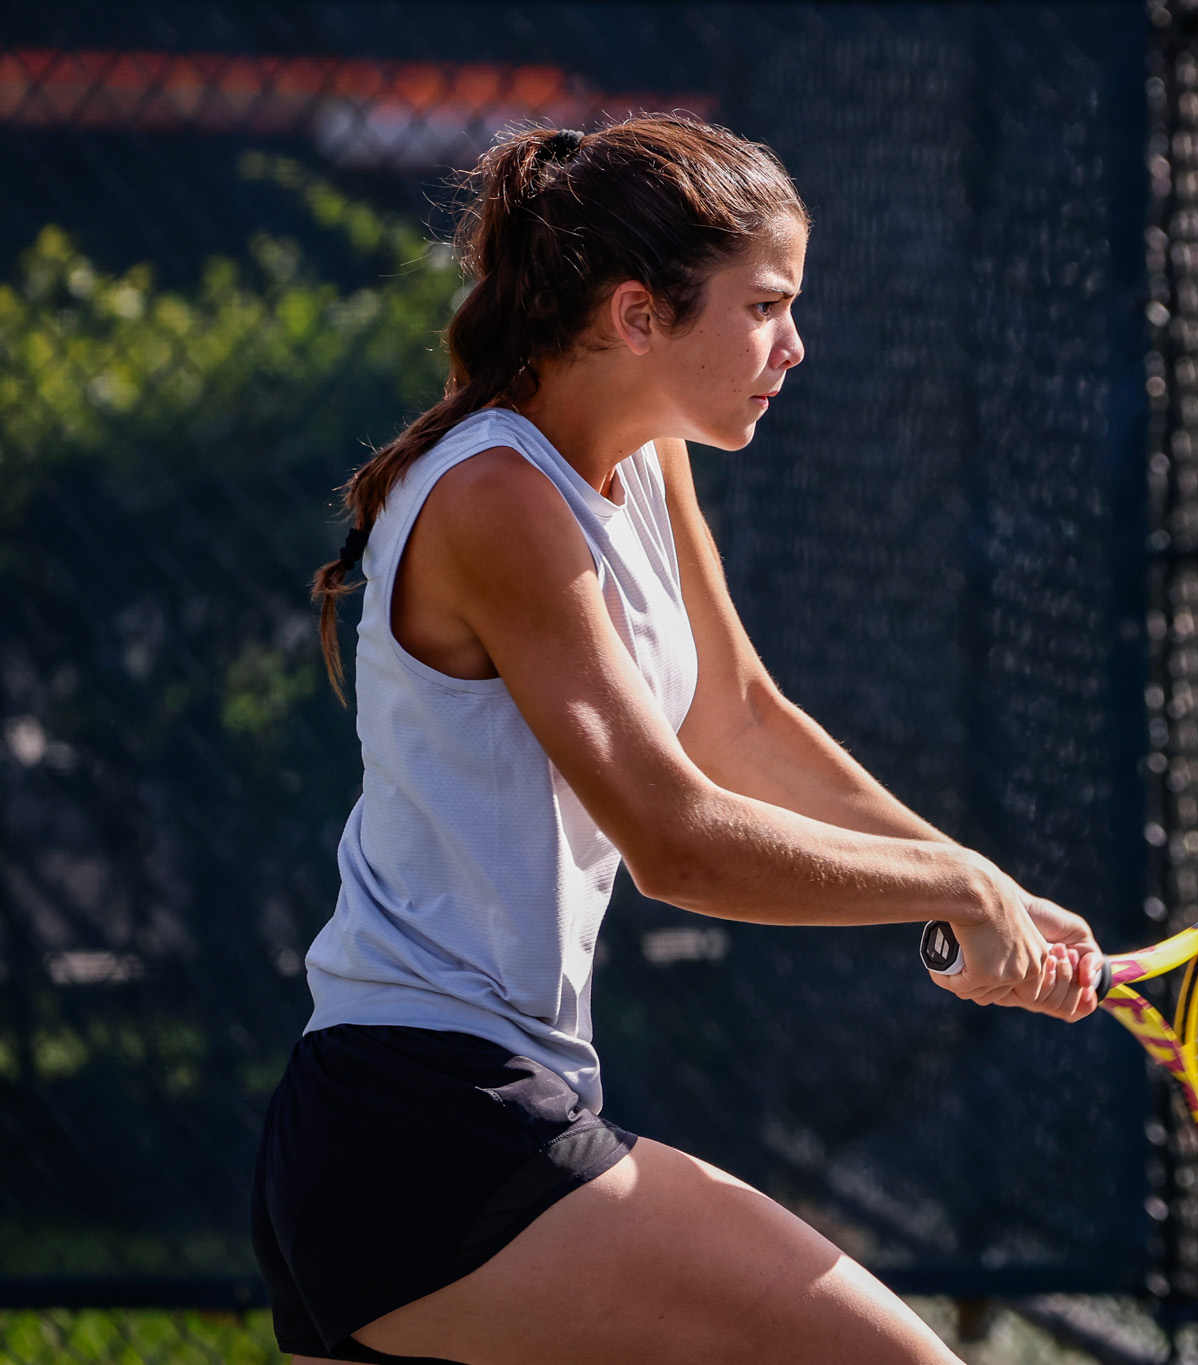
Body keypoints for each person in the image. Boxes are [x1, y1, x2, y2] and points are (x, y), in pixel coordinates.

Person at [254, 115, 1103, 1365]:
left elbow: (738, 720)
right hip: (430, 1129)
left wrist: (993, 891)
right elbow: (678, 841)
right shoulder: (497, 499)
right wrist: (956, 887)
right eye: (764, 308)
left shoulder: (645, 465)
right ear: (638, 315)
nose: (793, 347)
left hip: (430, 1126)